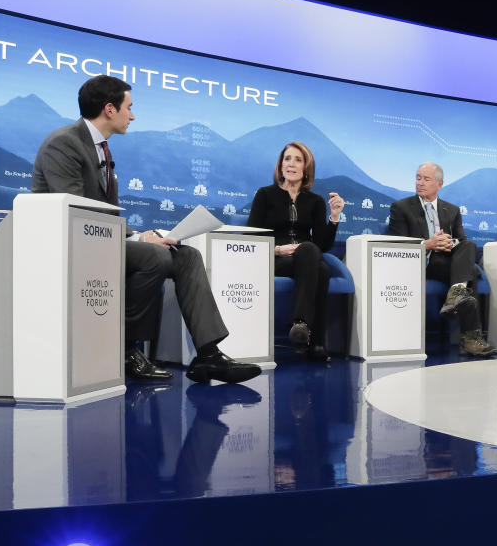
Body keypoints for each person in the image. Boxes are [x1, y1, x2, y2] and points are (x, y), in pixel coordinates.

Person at [32, 75, 261, 384]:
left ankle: (208, 355)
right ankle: (126, 349)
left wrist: (142, 235)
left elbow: (106, 216)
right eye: (130, 107)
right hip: (70, 242)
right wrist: (139, 239)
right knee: (156, 257)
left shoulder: (103, 149)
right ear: (109, 109)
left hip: (99, 239)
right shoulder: (64, 142)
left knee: (185, 255)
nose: (133, 115)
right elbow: (76, 212)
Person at [388, 162, 497, 357]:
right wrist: (429, 244)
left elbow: (461, 240)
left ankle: (457, 292)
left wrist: (448, 243)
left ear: (439, 184)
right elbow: (399, 246)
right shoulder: (402, 208)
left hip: (446, 261)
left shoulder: (452, 210)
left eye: (426, 179)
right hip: (420, 264)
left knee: (469, 246)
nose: (420, 183)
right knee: (470, 273)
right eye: (418, 178)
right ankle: (471, 339)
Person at [246, 141, 345, 361]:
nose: (291, 164)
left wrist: (334, 217)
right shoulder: (265, 195)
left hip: (305, 257)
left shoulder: (315, 201)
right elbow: (252, 237)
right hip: (275, 258)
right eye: (287, 159)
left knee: (310, 251)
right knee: (322, 271)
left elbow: (322, 244)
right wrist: (278, 249)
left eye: (298, 160)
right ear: (281, 166)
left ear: (306, 168)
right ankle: (315, 341)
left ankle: (301, 326)